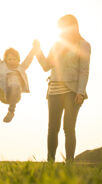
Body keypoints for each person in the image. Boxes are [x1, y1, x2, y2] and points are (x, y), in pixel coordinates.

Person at [34, 14, 91, 162]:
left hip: (73, 91)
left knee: (68, 128)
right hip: (54, 90)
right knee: (52, 129)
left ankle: (70, 162)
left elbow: (84, 70)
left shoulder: (83, 45)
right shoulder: (57, 45)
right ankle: (50, 161)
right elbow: (46, 66)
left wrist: (80, 91)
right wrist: (38, 51)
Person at [0, 32, 38, 123]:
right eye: (9, 59)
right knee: (5, 78)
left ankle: (11, 111)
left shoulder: (21, 68)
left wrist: (35, 48)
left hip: (15, 95)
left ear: (18, 60)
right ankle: (9, 100)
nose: (12, 61)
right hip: (3, 93)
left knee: (15, 84)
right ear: (5, 60)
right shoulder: (1, 65)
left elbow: (29, 59)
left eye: (14, 59)